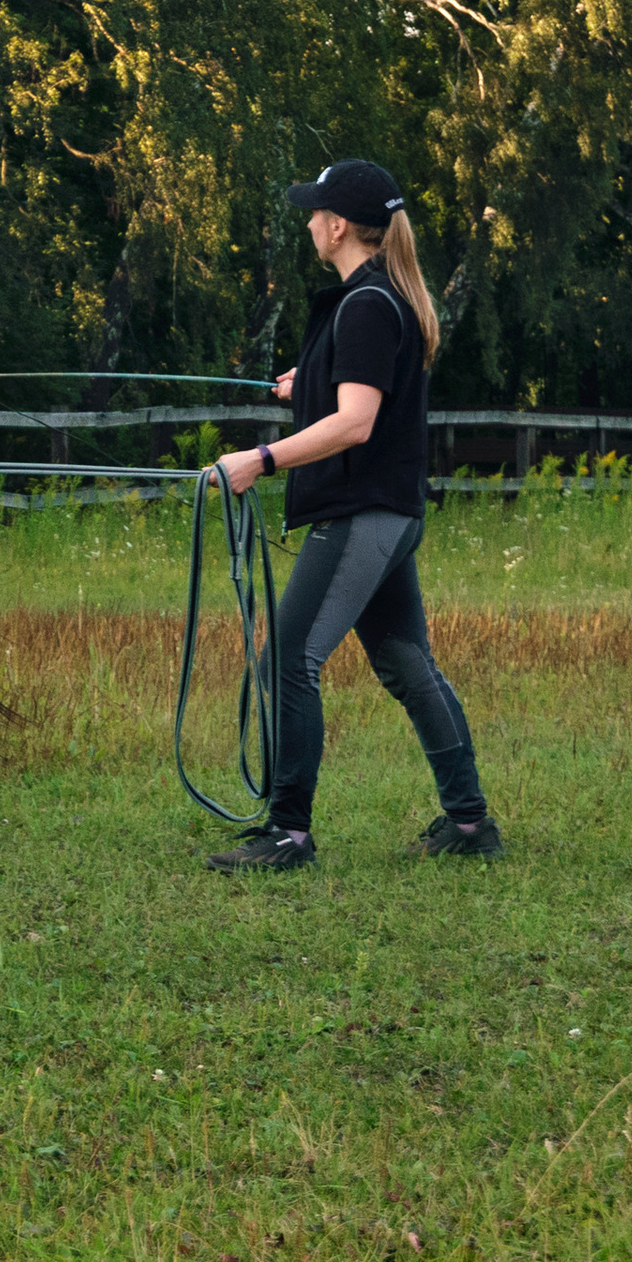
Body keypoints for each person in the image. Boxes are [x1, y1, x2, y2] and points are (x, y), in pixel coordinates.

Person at [202, 158, 501, 872]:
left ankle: (289, 834)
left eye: (314, 212)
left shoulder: (365, 304)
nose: (308, 221)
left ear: (338, 226)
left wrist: (259, 461)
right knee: (404, 662)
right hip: (391, 515)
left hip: (363, 515)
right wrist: (314, 377)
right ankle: (468, 824)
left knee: (289, 661)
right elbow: (362, 386)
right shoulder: (377, 300)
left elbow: (357, 423)